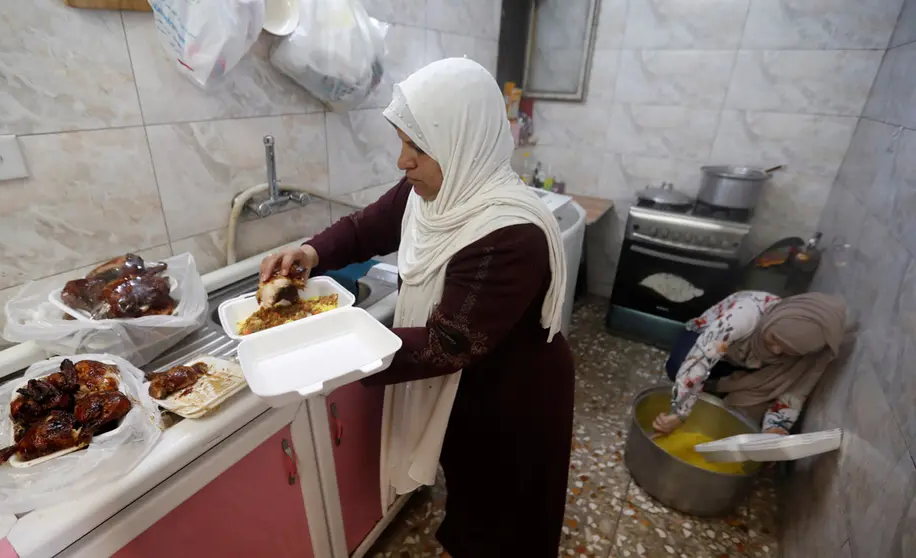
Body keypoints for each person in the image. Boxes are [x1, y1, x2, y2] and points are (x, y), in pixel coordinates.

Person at [260, 58, 575, 557]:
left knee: (510, 513)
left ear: (462, 141)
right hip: (466, 384)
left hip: (513, 397)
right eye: (403, 142)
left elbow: (447, 344)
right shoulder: (434, 193)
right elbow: (367, 227)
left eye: (417, 146)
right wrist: (311, 253)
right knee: (471, 491)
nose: (402, 161)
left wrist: (332, 342)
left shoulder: (511, 232)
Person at [653, 291, 848, 436]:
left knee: (746, 420)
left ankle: (722, 386)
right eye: (774, 339)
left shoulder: (807, 352)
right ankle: (716, 386)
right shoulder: (746, 314)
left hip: (747, 363)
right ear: (773, 322)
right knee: (679, 368)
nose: (776, 351)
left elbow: (794, 392)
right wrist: (680, 413)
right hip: (708, 340)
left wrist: (776, 429)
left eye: (788, 350)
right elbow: (700, 358)